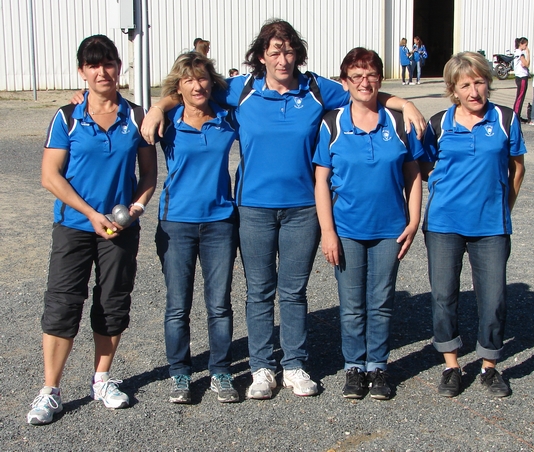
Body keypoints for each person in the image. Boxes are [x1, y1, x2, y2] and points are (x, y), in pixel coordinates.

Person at [140, 18, 426, 400]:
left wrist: (404, 102)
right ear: (261, 56)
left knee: (293, 291)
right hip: (253, 208)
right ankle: (262, 367)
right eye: (275, 51)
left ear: (298, 54)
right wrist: (160, 106)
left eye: (289, 50)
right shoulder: (242, 89)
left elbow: (363, 92)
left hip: (303, 209)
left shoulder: (316, 89)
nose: (283, 58)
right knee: (259, 290)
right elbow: (195, 88)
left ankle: (294, 364)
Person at [27, 35, 157, 425]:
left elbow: (149, 173)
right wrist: (91, 214)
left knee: (113, 301)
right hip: (74, 227)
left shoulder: (135, 116)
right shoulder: (67, 117)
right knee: (63, 303)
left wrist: (134, 208)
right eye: (94, 64)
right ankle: (50, 390)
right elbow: (50, 176)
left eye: (109, 63)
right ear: (82, 71)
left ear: (119, 67)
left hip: (119, 229)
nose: (103, 71)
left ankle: (101, 379)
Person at [313, 48, 422, 400]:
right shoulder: (332, 123)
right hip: (346, 229)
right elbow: (321, 182)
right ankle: (354, 368)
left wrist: (414, 219)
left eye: (371, 74)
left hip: (390, 228)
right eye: (356, 76)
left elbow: (414, 174)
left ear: (380, 78)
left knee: (381, 301)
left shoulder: (398, 123)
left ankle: (378, 366)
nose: (365, 82)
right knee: (352, 303)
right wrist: (327, 232)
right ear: (345, 82)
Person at [419, 51, 526, 398]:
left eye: (479, 82)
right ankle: (451, 364)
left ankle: (489, 366)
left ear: (488, 83)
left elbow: (517, 168)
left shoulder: (505, 119)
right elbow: (422, 169)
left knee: (493, 298)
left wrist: (501, 206)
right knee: (443, 295)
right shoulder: (439, 124)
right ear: (453, 89)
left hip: (492, 226)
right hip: (444, 224)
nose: (474, 91)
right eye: (465, 84)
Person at [154, 52, 239, 404]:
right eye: (188, 79)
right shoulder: (167, 120)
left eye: (202, 78)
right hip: (177, 223)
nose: (197, 85)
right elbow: (122, 111)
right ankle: (179, 374)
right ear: (179, 85)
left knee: (219, 304)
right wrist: (159, 107)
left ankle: (220, 370)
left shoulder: (227, 118)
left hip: (220, 221)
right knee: (178, 305)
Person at [513, 37, 530, 119]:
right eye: (525, 45)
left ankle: (516, 113)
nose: (526, 47)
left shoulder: (516, 52)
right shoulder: (521, 54)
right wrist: (528, 53)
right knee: (520, 97)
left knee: (519, 96)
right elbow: (526, 64)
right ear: (521, 44)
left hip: (518, 76)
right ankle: (516, 114)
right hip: (522, 76)